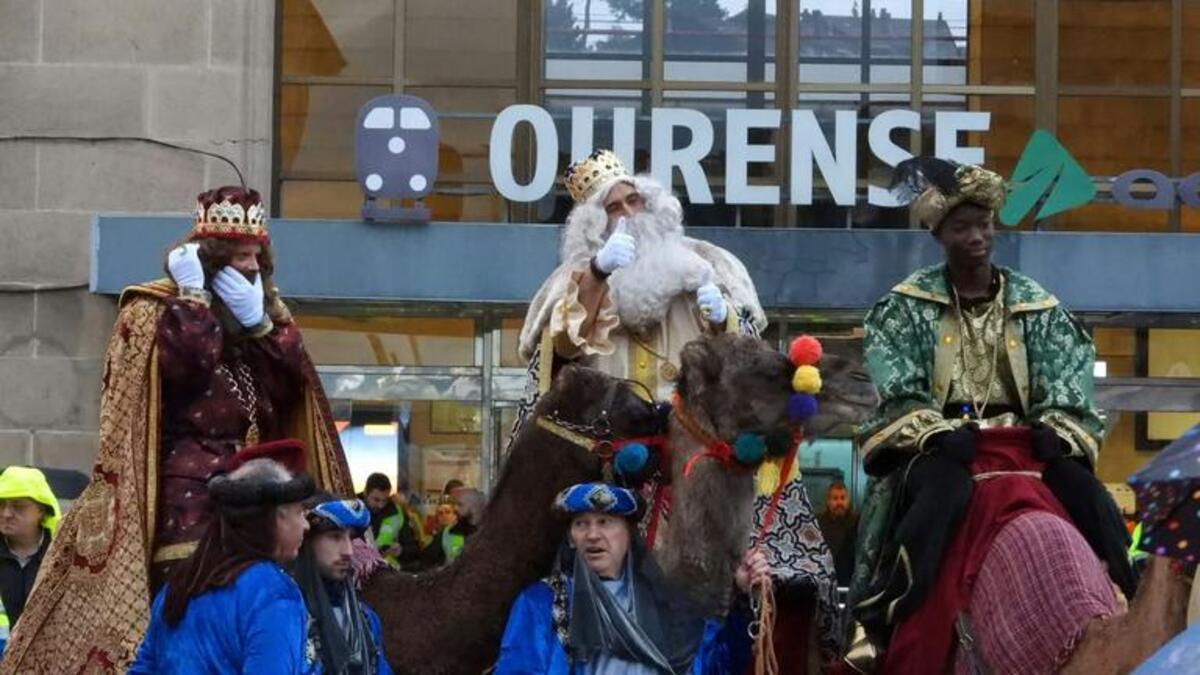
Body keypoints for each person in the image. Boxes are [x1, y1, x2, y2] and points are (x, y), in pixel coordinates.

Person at [2, 186, 352, 674]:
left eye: (256, 256)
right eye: (237, 257)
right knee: (186, 612)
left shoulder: (264, 314)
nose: (250, 268)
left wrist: (263, 330)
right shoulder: (155, 311)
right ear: (208, 260)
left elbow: (293, 389)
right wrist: (193, 302)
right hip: (188, 501)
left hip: (257, 501)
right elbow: (186, 371)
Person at [515, 150, 841, 660]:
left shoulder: (709, 265)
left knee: (780, 558)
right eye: (612, 209)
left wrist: (724, 319)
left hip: (706, 459)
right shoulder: (571, 285)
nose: (627, 214)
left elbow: (749, 367)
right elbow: (556, 361)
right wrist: (597, 278)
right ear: (594, 228)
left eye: (633, 200)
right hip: (613, 464)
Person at [850, 158, 1135, 668]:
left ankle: (1130, 598)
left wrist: (1058, 432)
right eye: (963, 228)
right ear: (940, 235)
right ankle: (883, 612)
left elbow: (1069, 385)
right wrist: (934, 434)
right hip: (943, 448)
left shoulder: (1038, 307)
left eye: (984, 225)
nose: (978, 237)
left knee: (1088, 494)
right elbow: (897, 392)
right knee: (944, 494)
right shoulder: (905, 308)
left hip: (1024, 445)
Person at [495, 482, 767, 674]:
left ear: (628, 535)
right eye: (581, 524)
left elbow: (718, 665)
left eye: (605, 523)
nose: (592, 535)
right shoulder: (541, 602)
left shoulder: (666, 604)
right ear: (570, 537)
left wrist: (742, 595)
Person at [129, 439, 317, 674]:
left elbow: (143, 668)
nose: (305, 525)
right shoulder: (273, 592)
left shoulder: (180, 584)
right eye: (300, 512)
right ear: (276, 518)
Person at [292, 493, 393, 675]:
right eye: (335, 537)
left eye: (350, 538)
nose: (348, 551)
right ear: (306, 540)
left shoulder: (367, 620)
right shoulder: (287, 615)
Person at [0, 467, 60, 649]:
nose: (6, 514)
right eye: (1, 504)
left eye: (18, 506)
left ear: (42, 511)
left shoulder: (61, 558)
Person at [360, 473, 425, 571]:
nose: (380, 505)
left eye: (384, 500)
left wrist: (401, 551)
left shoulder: (397, 513)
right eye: (376, 500)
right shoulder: (353, 510)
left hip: (390, 573)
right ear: (365, 493)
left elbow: (415, 549)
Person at [423, 488, 483, 568]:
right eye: (440, 513)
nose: (455, 509)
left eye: (460, 505)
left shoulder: (487, 533)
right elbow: (427, 560)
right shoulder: (447, 533)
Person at [816, 481, 857, 587]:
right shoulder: (818, 523)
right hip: (824, 579)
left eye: (843, 498)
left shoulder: (857, 522)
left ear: (848, 500)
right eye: (835, 498)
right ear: (828, 501)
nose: (839, 503)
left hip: (849, 579)